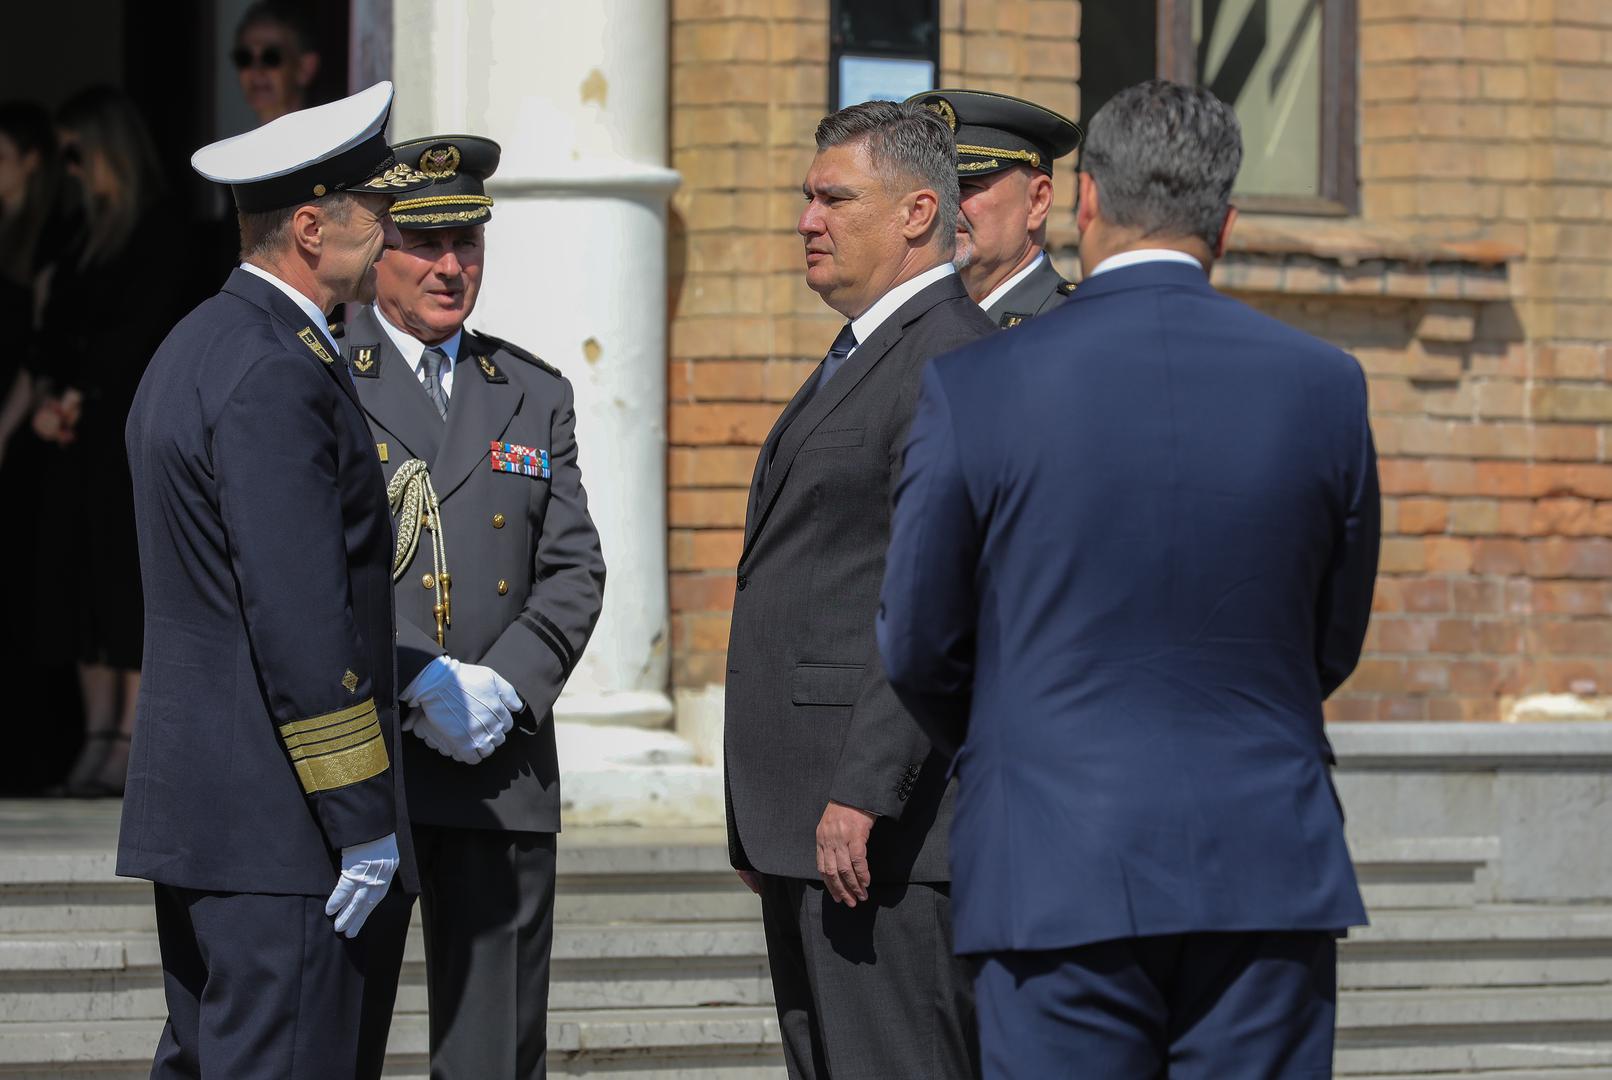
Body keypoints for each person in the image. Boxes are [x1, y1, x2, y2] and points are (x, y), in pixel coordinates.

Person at [877, 79, 1379, 1079]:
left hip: (1052, 862)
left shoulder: (978, 385)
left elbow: (918, 643)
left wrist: (1019, 739)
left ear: (1089, 201)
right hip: (1263, 861)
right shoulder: (1323, 383)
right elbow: (1330, 639)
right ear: (1226, 222)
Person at [120, 82, 437, 1080]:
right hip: (285, 832)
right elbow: (298, 618)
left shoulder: (199, 346)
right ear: (310, 227)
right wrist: (360, 820)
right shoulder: (275, 369)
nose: (389, 235)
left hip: (220, 820)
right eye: (374, 214)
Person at [724, 99, 995, 1080]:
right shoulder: (866, 354)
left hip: (880, 836)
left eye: (834, 198)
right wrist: (755, 812)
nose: (807, 220)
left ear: (918, 212)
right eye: (808, 198)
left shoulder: (948, 357)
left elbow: (936, 602)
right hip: (808, 824)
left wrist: (861, 792)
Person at [333, 133, 605, 1078]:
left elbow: (574, 568)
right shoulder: (322, 374)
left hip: (499, 764)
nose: (452, 268)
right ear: (377, 249)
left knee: (493, 1055)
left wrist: (503, 690)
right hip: (369, 752)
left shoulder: (530, 391)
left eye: (470, 245)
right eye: (426, 243)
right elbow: (316, 568)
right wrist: (422, 679)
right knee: (335, 1034)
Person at [29, 87, 183, 797]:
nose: (69, 169)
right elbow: (54, 331)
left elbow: (144, 332)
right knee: (79, 581)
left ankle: (129, 736)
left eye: (74, 153)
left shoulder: (157, 229)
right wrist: (57, 394)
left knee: (127, 578)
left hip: (127, 425)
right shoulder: (76, 234)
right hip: (76, 434)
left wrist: (81, 387)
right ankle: (97, 733)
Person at [906, 89, 1082, 328]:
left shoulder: (1076, 325)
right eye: (933, 188)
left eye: (965, 186)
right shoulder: (912, 321)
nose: (942, 204)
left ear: (1037, 202)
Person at [233, 1, 322, 126]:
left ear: (305, 68)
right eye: (244, 58)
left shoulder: (330, 142)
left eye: (271, 57)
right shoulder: (237, 145)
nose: (256, 71)